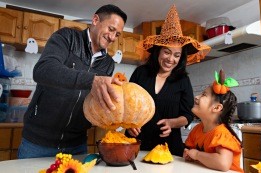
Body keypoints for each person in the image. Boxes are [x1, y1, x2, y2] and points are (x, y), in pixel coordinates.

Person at [18, 4, 127, 159]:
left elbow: (96, 102)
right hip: (37, 142)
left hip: (76, 145)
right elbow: (44, 70)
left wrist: (124, 119)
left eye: (117, 34)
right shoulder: (67, 37)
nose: (112, 37)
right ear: (95, 20)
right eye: (111, 29)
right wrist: (91, 80)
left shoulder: (108, 63)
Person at [125, 5, 211, 157]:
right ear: (158, 51)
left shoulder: (183, 80)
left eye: (177, 55)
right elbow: (126, 104)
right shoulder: (141, 73)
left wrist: (172, 123)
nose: (171, 59)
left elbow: (188, 115)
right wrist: (129, 124)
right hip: (136, 143)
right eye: (167, 52)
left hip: (169, 146)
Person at [183, 70, 243, 172]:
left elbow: (223, 164)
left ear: (216, 108)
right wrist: (188, 154)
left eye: (203, 95)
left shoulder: (222, 134)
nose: (196, 97)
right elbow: (190, 151)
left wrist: (197, 155)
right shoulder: (196, 130)